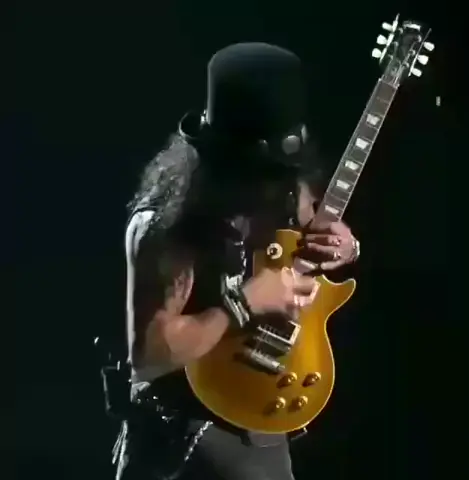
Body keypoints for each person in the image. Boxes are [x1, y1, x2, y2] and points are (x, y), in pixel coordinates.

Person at [112, 43, 360, 480]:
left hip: (264, 431)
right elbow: (149, 355)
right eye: (263, 168)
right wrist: (244, 303)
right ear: (228, 160)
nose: (277, 182)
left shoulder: (284, 184)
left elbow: (316, 232)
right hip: (182, 443)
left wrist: (345, 247)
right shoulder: (167, 225)